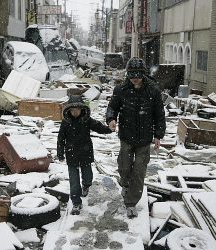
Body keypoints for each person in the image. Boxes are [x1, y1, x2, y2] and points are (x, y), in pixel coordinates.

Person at [106, 57, 166, 218]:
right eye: (132, 74)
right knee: (124, 166)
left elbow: (159, 114)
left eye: (138, 75)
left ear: (143, 74)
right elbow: (112, 107)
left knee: (139, 171)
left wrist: (158, 135)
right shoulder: (121, 89)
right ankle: (125, 183)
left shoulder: (153, 90)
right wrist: (111, 119)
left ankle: (131, 202)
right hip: (126, 135)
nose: (135, 78)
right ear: (128, 74)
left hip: (145, 138)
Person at [57, 95, 113, 215]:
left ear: (82, 109)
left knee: (88, 176)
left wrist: (109, 129)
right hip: (71, 154)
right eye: (72, 110)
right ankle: (76, 203)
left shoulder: (86, 120)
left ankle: (86, 186)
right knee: (74, 180)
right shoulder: (66, 122)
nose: (75, 112)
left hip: (85, 153)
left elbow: (98, 127)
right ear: (68, 111)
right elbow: (60, 138)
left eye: (77, 109)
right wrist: (60, 153)